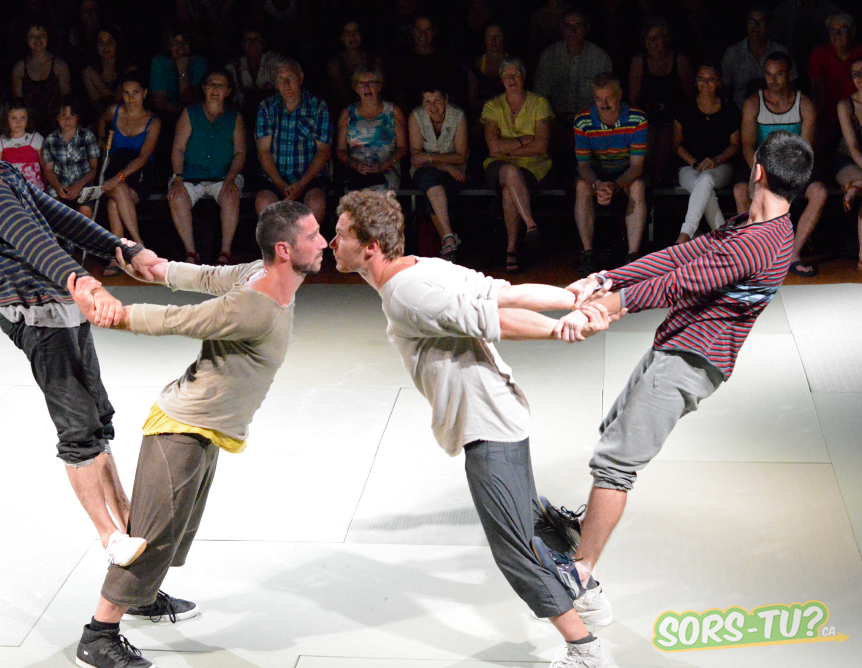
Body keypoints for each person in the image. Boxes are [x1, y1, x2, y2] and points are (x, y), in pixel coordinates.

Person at [329, 188, 620, 668]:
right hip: (501, 413)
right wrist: (572, 296)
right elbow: (500, 290)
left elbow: (494, 315)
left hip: (487, 426)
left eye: (340, 235)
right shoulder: (422, 267)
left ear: (371, 247)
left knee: (514, 549)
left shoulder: (404, 295)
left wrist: (563, 326)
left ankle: (584, 649)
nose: (331, 242)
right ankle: (587, 594)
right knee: (529, 521)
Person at [557, 130, 814, 620]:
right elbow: (683, 256)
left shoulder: (759, 244)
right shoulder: (752, 225)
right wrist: (609, 277)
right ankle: (586, 525)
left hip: (692, 361)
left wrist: (608, 306)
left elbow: (680, 283)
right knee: (614, 430)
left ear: (757, 170)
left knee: (616, 463)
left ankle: (581, 577)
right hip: (677, 344)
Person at [0, 89, 178, 584]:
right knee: (78, 429)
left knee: (96, 421)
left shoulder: (3, 172)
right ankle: (110, 537)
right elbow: (35, 242)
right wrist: (87, 284)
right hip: (33, 313)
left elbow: (57, 218)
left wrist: (124, 248)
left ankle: (129, 531)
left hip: (59, 306)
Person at [67, 200, 328, 668]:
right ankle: (98, 635)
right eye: (313, 236)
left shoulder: (259, 275)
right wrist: (113, 314)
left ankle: (143, 597)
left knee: (176, 530)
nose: (324, 242)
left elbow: (206, 277)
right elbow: (180, 320)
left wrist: (158, 268)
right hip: (181, 430)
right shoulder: (252, 306)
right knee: (152, 535)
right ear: (285, 250)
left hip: (206, 428)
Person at [733, 52, 826, 277]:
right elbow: (747, 145)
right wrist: (760, 172)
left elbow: (806, 149)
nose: (773, 80)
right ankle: (754, 255)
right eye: (768, 74)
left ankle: (793, 255)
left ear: (790, 75)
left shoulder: (804, 104)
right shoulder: (754, 103)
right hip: (761, 166)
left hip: (794, 167)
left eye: (779, 74)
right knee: (740, 190)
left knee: (820, 192)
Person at [482, 57, 554, 272]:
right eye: (506, 75)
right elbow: (493, 148)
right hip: (498, 164)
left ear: (524, 76)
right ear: (501, 79)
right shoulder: (492, 106)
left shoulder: (539, 103)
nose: (511, 79)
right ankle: (530, 224)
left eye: (516, 74)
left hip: (534, 165)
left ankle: (511, 249)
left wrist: (508, 148)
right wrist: (524, 140)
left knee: (508, 191)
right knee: (509, 170)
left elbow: (541, 146)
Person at [168, 70, 247, 266]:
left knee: (231, 196)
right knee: (176, 197)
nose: (215, 89)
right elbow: (178, 148)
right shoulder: (190, 113)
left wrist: (230, 179)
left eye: (221, 86)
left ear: (228, 91)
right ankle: (191, 252)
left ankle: (225, 253)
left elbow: (240, 152)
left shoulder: (234, 117)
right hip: (190, 175)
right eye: (212, 84)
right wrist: (178, 178)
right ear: (204, 88)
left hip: (223, 176)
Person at [573, 73, 648, 277]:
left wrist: (615, 185)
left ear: (619, 95)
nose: (604, 104)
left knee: (638, 186)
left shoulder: (637, 118)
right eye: (599, 99)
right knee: (581, 186)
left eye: (609, 98)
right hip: (597, 173)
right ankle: (588, 254)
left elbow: (636, 167)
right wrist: (598, 184)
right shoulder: (582, 120)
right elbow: (583, 165)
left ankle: (633, 256)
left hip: (626, 171)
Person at [254, 57, 332, 224]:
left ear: (301, 78)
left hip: (309, 177)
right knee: (264, 203)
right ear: (275, 84)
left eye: (290, 77)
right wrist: (280, 183)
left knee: (316, 203)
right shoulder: (267, 107)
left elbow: (323, 151)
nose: (286, 84)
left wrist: (301, 184)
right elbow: (263, 150)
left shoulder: (318, 106)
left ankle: (308, 241)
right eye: (280, 79)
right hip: (275, 177)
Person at [96, 74, 161, 271]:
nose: (130, 98)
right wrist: (102, 140)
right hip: (115, 165)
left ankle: (117, 257)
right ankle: (139, 246)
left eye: (135, 93)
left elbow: (143, 157)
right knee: (118, 193)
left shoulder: (153, 121)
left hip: (140, 172)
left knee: (114, 203)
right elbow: (101, 120)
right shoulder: (114, 111)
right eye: (126, 93)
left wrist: (118, 178)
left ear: (144, 93)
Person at [673, 63, 741, 244]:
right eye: (701, 79)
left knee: (705, 179)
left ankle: (686, 234)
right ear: (695, 81)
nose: (705, 83)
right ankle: (725, 241)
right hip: (689, 167)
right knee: (704, 189)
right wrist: (694, 163)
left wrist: (716, 160)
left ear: (719, 82)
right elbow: (677, 144)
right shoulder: (685, 106)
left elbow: (735, 144)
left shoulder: (729, 107)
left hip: (721, 166)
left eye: (711, 79)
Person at [627, 18, 694, 185]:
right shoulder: (639, 61)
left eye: (656, 37)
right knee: (648, 135)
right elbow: (633, 100)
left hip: (674, 117)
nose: (652, 42)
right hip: (647, 117)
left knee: (667, 135)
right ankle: (645, 182)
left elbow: (690, 97)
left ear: (667, 39)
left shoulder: (679, 60)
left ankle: (660, 182)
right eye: (648, 38)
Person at [408, 80, 469, 261]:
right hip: (426, 170)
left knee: (435, 194)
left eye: (437, 101)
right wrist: (446, 166)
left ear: (446, 100)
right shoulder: (416, 116)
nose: (432, 107)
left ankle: (448, 243)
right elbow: (416, 157)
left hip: (455, 171)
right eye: (427, 102)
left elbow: (461, 157)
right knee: (430, 180)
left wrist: (430, 159)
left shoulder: (458, 115)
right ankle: (449, 236)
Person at [533, 10, 612, 129]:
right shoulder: (549, 55)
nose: (572, 31)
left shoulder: (600, 58)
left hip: (591, 123)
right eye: (568, 26)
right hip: (555, 122)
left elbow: (607, 99)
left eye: (578, 26)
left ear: (587, 29)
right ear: (561, 28)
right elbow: (540, 96)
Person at [336, 66, 407, 192]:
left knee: (378, 195)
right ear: (356, 88)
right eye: (362, 83)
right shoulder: (347, 114)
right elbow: (340, 150)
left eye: (372, 82)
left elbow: (402, 148)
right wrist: (354, 164)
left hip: (386, 170)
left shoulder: (393, 111)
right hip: (356, 172)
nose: (366, 87)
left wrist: (383, 165)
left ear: (379, 87)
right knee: (356, 197)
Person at [808, 12, 862, 154]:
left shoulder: (860, 53)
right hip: (829, 117)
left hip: (857, 117)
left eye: (842, 30)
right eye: (833, 31)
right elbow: (817, 91)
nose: (837, 35)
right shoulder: (820, 53)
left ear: (853, 32)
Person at [721, 6, 796, 108]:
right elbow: (724, 87)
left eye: (760, 22)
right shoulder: (733, 53)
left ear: (769, 26)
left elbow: (792, 84)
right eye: (752, 22)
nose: (755, 26)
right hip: (740, 111)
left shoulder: (781, 50)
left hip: (775, 110)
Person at [41, 97, 101, 219]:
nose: (67, 120)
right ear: (56, 117)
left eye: (72, 115)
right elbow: (48, 170)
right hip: (59, 188)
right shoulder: (50, 139)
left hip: (84, 188)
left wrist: (79, 185)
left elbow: (94, 169)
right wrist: (58, 186)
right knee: (55, 211)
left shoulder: (87, 136)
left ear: (78, 116)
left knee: (85, 211)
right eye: (63, 116)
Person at [11, 23, 72, 137]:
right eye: (32, 36)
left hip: (56, 128)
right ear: (26, 39)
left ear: (48, 37)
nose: (37, 40)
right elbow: (17, 104)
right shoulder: (19, 68)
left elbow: (67, 100)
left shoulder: (59, 66)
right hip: (29, 129)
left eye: (41, 35)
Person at [836, 56, 862, 270]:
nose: (859, 78)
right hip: (847, 160)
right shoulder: (846, 104)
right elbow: (853, 146)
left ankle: (855, 188)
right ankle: (855, 185)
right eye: (855, 74)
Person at [82, 26, 138, 122]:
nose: (105, 46)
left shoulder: (129, 70)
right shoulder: (89, 72)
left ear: (117, 44)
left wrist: (97, 81)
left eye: (110, 42)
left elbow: (119, 105)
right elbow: (98, 108)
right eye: (101, 43)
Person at [149, 27, 208, 118]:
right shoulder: (160, 62)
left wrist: (182, 72)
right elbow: (160, 103)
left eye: (185, 43)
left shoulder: (199, 63)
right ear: (168, 46)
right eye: (175, 43)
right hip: (167, 116)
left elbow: (193, 102)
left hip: (195, 117)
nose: (181, 48)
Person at [327, 21, 381, 113]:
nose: (352, 36)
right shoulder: (335, 64)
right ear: (341, 37)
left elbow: (378, 88)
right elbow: (341, 94)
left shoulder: (374, 60)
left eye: (356, 32)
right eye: (347, 33)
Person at [0, 99, 46, 190]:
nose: (18, 122)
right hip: (12, 190)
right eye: (14, 118)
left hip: (35, 190)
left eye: (22, 118)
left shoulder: (36, 138)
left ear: (28, 118)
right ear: (6, 120)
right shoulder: (0, 142)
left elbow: (45, 167)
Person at [227, 29, 281, 112]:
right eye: (248, 40)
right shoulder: (233, 67)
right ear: (242, 45)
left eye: (256, 40)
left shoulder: (274, 61)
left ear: (263, 44)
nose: (252, 43)